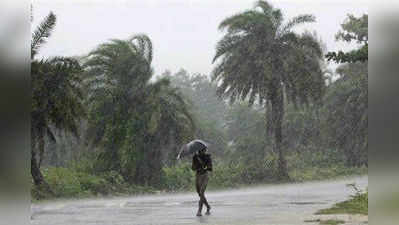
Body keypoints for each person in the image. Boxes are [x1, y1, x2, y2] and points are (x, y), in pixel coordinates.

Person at [192, 147, 212, 216]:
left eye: (204, 150)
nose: (203, 151)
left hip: (205, 176)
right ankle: (208, 206)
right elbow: (193, 168)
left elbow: (210, 168)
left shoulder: (207, 157)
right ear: (199, 150)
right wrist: (196, 166)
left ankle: (199, 211)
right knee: (200, 194)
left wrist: (206, 167)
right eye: (201, 150)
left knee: (201, 192)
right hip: (198, 176)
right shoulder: (195, 157)